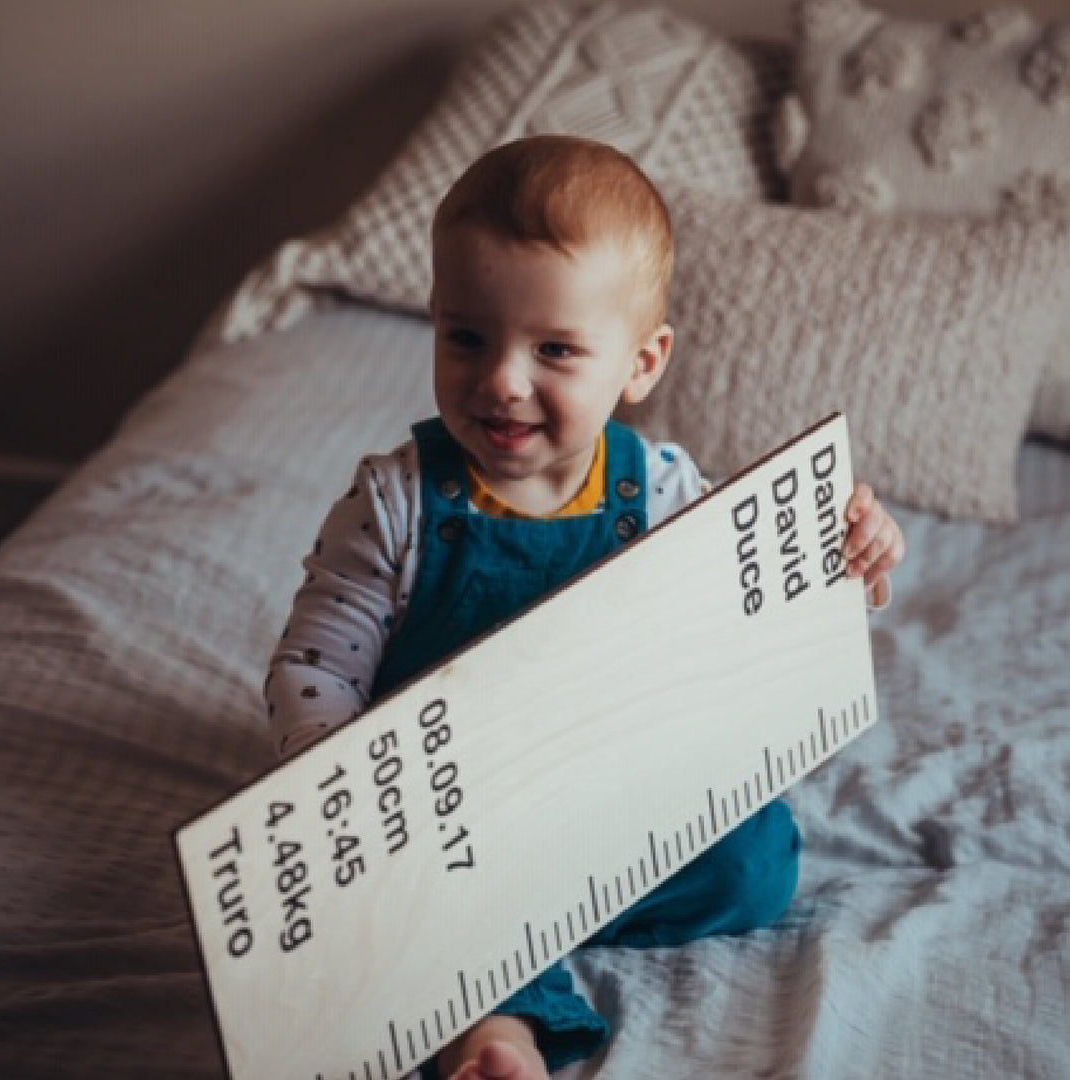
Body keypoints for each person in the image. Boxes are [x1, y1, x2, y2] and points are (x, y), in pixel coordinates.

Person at [264, 134, 905, 1080]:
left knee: (758, 864)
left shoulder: (668, 489)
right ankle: (496, 1025)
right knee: (431, 911)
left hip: (607, 796)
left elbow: (756, 611)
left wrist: (850, 549)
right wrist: (345, 789)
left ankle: (531, 920)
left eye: (555, 349)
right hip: (453, 816)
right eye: (466, 337)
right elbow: (314, 668)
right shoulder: (396, 501)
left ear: (641, 363)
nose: (502, 381)